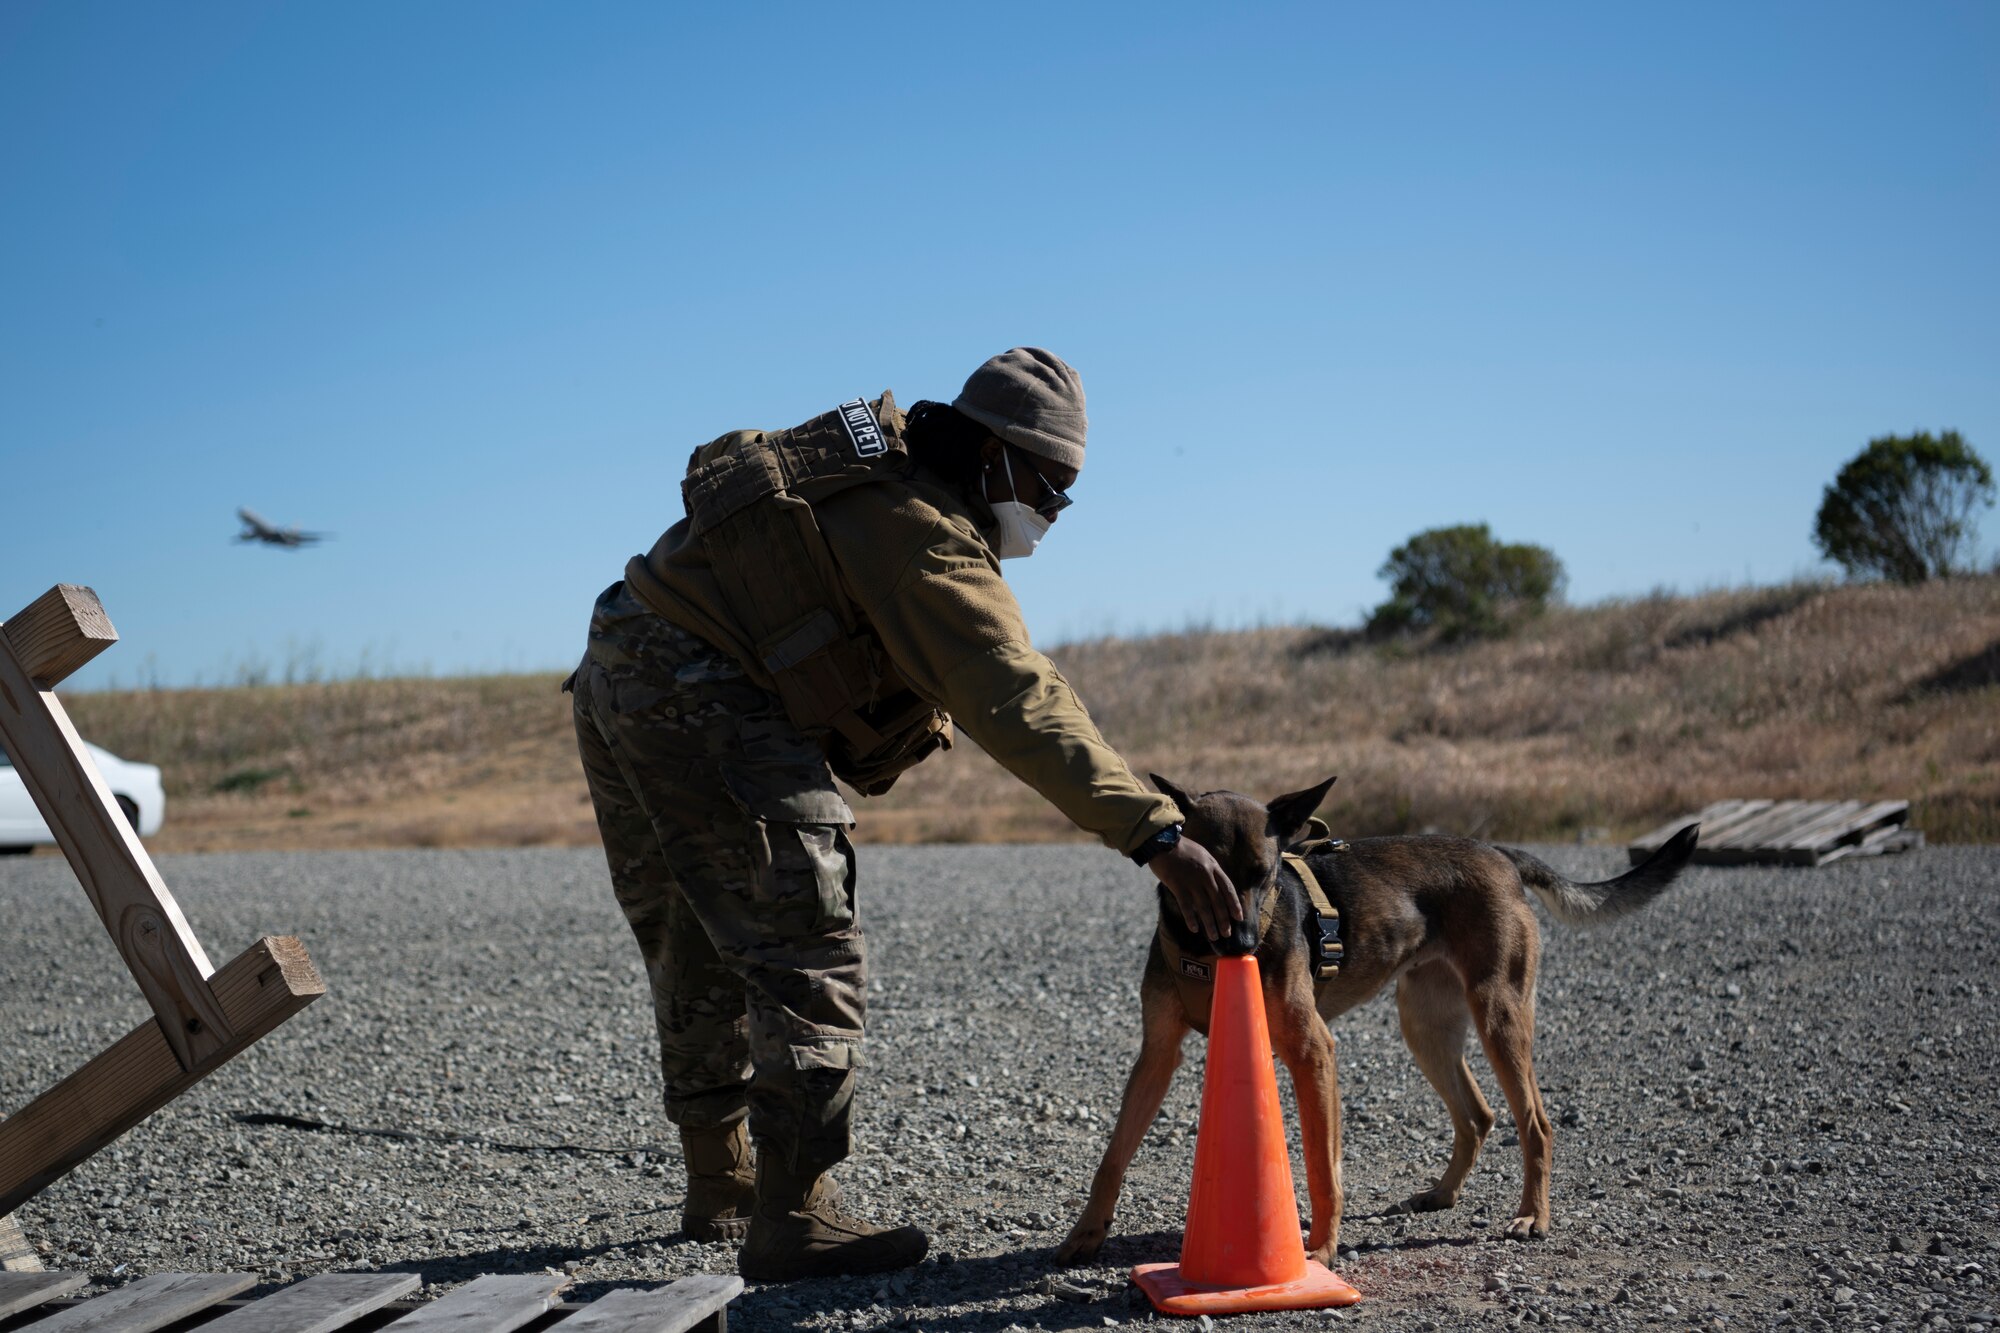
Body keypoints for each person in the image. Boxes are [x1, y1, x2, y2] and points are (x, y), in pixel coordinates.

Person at [567, 348, 1243, 1281]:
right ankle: (794, 1214)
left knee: (697, 934)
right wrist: (1155, 832)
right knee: (804, 942)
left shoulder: (874, 465)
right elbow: (1015, 696)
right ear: (997, 453)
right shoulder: (920, 532)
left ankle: (723, 1182)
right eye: (1051, 486)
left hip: (619, 657)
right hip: (705, 690)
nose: (1052, 513)